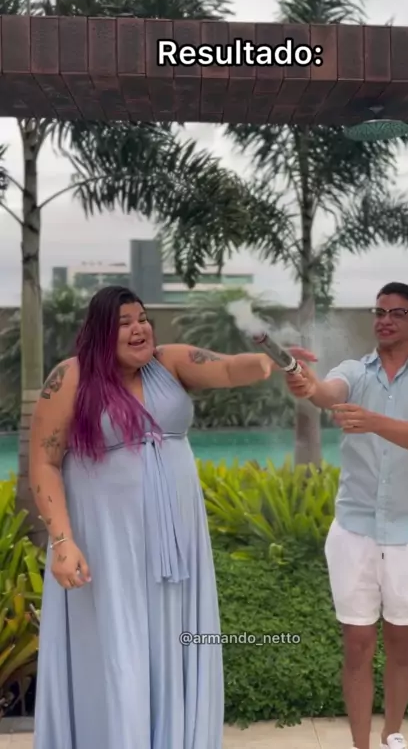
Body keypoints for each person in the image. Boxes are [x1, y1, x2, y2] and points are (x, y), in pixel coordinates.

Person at [29, 285, 314, 749]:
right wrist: (63, 542)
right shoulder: (70, 378)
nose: (139, 328)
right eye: (124, 322)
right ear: (99, 331)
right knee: (117, 651)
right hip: (106, 546)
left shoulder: (170, 362)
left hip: (177, 546)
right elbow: (44, 462)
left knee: (174, 644)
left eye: (142, 318)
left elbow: (228, 368)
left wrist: (273, 361)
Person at [285, 283, 408, 749]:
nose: (384, 319)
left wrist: (374, 421)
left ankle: (392, 734)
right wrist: (307, 384)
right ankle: (361, 745)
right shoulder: (353, 371)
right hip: (354, 532)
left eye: (397, 313)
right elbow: (326, 392)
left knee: (402, 645)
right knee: (357, 643)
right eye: (379, 311)